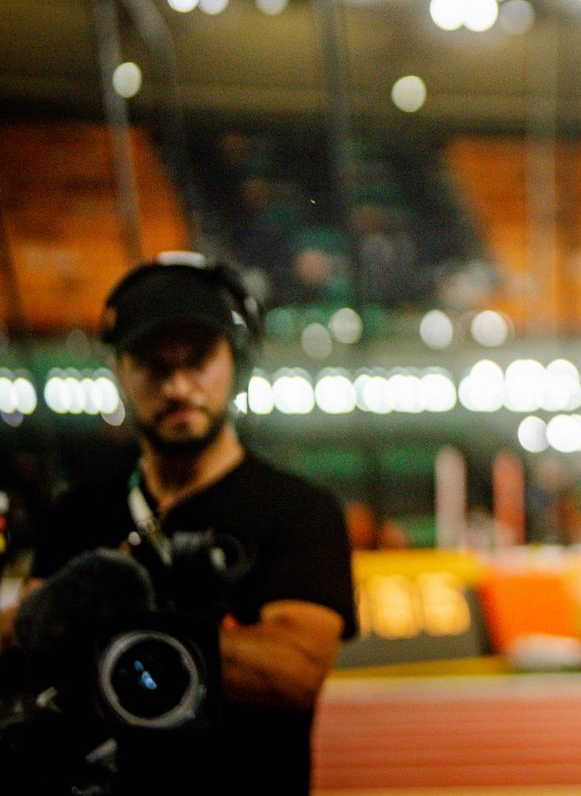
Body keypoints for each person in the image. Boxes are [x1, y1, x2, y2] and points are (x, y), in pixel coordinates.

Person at [0, 254, 358, 796]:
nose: (178, 386)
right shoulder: (80, 511)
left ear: (237, 362)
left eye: (198, 360)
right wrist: (36, 620)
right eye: (153, 365)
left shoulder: (299, 509)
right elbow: (27, 641)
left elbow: (294, 671)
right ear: (119, 370)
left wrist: (114, 626)